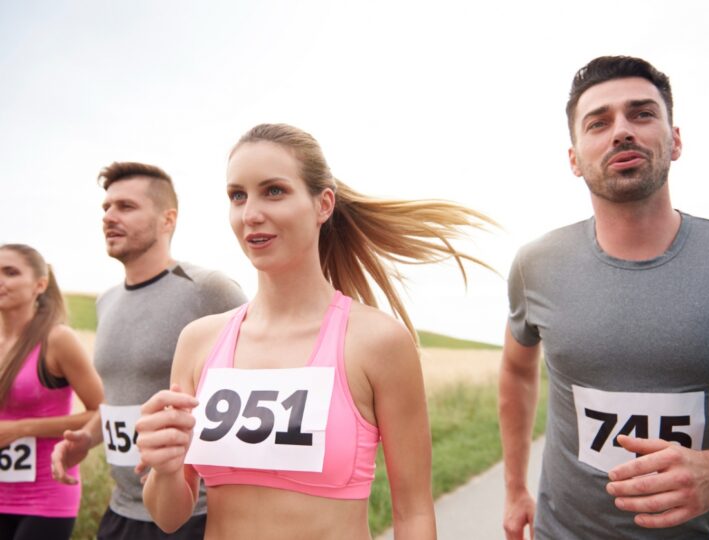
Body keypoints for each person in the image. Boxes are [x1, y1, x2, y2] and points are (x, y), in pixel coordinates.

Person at [135, 123, 495, 539]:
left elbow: (413, 512)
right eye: (238, 195)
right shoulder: (199, 341)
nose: (251, 213)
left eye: (274, 191)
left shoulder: (377, 342)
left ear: (323, 204)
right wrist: (164, 470)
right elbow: (169, 516)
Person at [499, 55, 709, 539]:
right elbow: (517, 370)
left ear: (675, 139)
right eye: (598, 123)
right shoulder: (536, 264)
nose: (621, 131)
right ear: (575, 158)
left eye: (642, 114)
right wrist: (515, 487)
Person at [51, 162, 247, 540]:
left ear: (167, 219)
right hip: (123, 511)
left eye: (126, 207)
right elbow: (122, 396)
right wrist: (88, 438)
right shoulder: (106, 301)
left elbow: (261, 377)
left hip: (195, 512)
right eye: (105, 208)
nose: (109, 216)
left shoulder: (209, 288)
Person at [0, 244, 104, 540]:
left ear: (40, 284)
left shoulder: (57, 340)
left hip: (46, 497)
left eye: (11, 272)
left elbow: (100, 410)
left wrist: (20, 429)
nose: (1, 280)